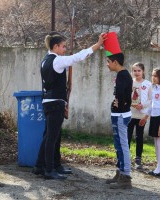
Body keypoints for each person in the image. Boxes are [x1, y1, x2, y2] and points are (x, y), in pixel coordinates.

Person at [33, 32, 107, 180]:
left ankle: (40, 166)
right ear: (55, 46)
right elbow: (78, 57)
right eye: (63, 46)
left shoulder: (45, 60)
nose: (65, 49)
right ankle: (48, 170)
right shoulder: (57, 61)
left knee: (49, 136)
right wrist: (97, 45)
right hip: (55, 103)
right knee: (51, 138)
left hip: (48, 101)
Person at [105, 53, 133, 189]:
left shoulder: (123, 75)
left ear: (115, 62)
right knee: (119, 145)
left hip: (121, 116)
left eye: (108, 61)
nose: (107, 64)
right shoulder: (122, 74)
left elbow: (122, 94)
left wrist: (119, 104)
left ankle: (126, 177)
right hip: (119, 115)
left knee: (123, 146)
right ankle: (120, 172)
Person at [139, 68, 160, 176]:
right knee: (156, 143)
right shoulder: (154, 89)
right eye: (152, 75)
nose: (153, 78)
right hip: (154, 117)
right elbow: (152, 105)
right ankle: (158, 166)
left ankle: (159, 168)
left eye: (155, 76)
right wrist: (145, 116)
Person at [127, 62, 152, 169]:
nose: (136, 73)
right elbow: (126, 96)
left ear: (143, 71)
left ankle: (138, 159)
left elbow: (151, 99)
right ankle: (125, 157)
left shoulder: (148, 84)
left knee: (139, 136)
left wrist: (142, 105)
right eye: (134, 70)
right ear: (132, 72)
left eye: (139, 70)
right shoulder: (130, 83)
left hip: (141, 115)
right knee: (127, 135)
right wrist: (132, 104)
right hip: (130, 114)